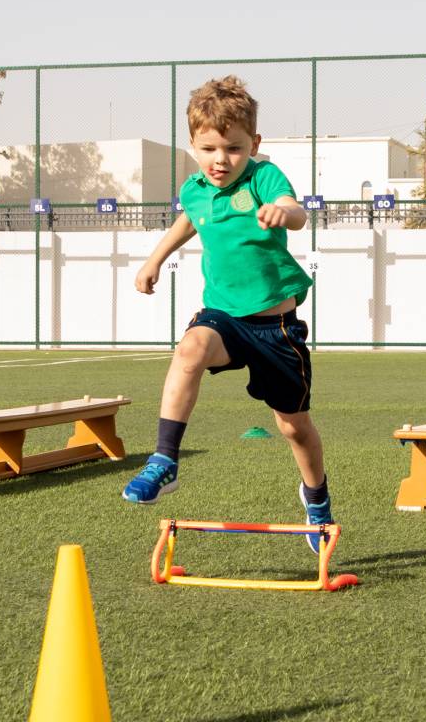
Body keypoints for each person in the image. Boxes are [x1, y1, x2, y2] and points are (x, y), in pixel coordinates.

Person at [120, 75, 332, 552]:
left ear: (253, 144)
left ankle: (316, 497)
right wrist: (155, 260)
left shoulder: (263, 178)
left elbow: (295, 210)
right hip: (224, 318)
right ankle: (164, 460)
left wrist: (283, 214)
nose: (221, 160)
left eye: (234, 148)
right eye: (209, 149)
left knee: (294, 427)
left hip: (276, 328)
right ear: (192, 145)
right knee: (189, 349)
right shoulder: (194, 189)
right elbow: (189, 220)